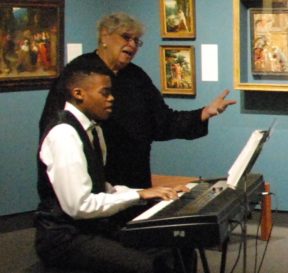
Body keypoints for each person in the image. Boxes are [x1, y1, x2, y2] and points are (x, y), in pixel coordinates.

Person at [39, 12, 236, 190]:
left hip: (134, 177)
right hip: (94, 178)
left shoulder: (136, 76)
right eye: (126, 37)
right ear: (105, 36)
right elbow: (57, 125)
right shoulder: (80, 73)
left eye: (137, 40)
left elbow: (162, 120)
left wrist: (204, 113)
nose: (132, 45)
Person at [35, 58, 193, 273]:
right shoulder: (64, 134)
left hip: (90, 226)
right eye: (104, 93)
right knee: (148, 266)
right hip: (64, 237)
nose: (111, 99)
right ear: (78, 93)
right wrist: (139, 196)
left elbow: (101, 187)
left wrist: (150, 192)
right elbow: (79, 206)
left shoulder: (94, 130)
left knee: (179, 244)